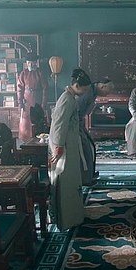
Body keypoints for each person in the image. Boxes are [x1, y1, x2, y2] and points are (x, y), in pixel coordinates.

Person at [49, 68, 92, 231]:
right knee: (65, 180)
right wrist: (58, 146)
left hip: (70, 144)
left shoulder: (71, 98)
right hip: (64, 146)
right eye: (84, 89)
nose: (85, 93)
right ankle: (66, 218)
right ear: (76, 85)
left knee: (73, 179)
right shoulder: (66, 100)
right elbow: (58, 124)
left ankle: (74, 214)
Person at [77, 77, 115, 185]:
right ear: (102, 86)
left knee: (90, 148)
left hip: (80, 124)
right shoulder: (88, 93)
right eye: (107, 92)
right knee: (86, 150)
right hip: (76, 125)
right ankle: (86, 179)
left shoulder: (93, 92)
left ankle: (89, 175)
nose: (106, 95)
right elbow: (78, 111)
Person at [16, 54, 47, 142]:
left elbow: (45, 89)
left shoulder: (40, 73)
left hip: (37, 99)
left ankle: (38, 139)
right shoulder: (23, 73)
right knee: (26, 122)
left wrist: (43, 103)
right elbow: (19, 89)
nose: (30, 65)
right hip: (27, 101)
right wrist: (20, 103)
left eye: (32, 63)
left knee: (38, 120)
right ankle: (26, 139)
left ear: (35, 63)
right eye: (28, 63)